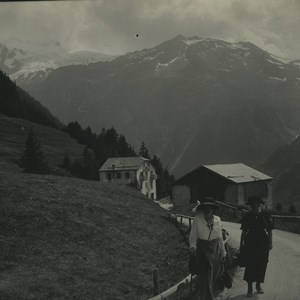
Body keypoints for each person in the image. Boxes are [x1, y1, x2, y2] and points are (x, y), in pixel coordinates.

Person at [189, 197, 227, 300]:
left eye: (209, 208)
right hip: (202, 249)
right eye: (205, 208)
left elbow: (219, 237)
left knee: (214, 275)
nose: (207, 211)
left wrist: (223, 253)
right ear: (202, 209)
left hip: (215, 250)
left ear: (213, 209)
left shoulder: (217, 220)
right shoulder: (197, 219)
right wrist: (193, 247)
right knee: (205, 276)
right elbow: (193, 235)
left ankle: (211, 295)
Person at [240, 195, 274, 297]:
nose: (254, 205)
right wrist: (241, 244)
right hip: (250, 243)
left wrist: (270, 243)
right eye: (252, 204)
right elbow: (244, 232)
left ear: (259, 204)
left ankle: (258, 286)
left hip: (263, 243)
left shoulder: (265, 215)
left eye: (256, 203)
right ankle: (250, 288)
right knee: (250, 265)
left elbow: (269, 230)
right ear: (250, 205)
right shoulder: (247, 216)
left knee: (261, 264)